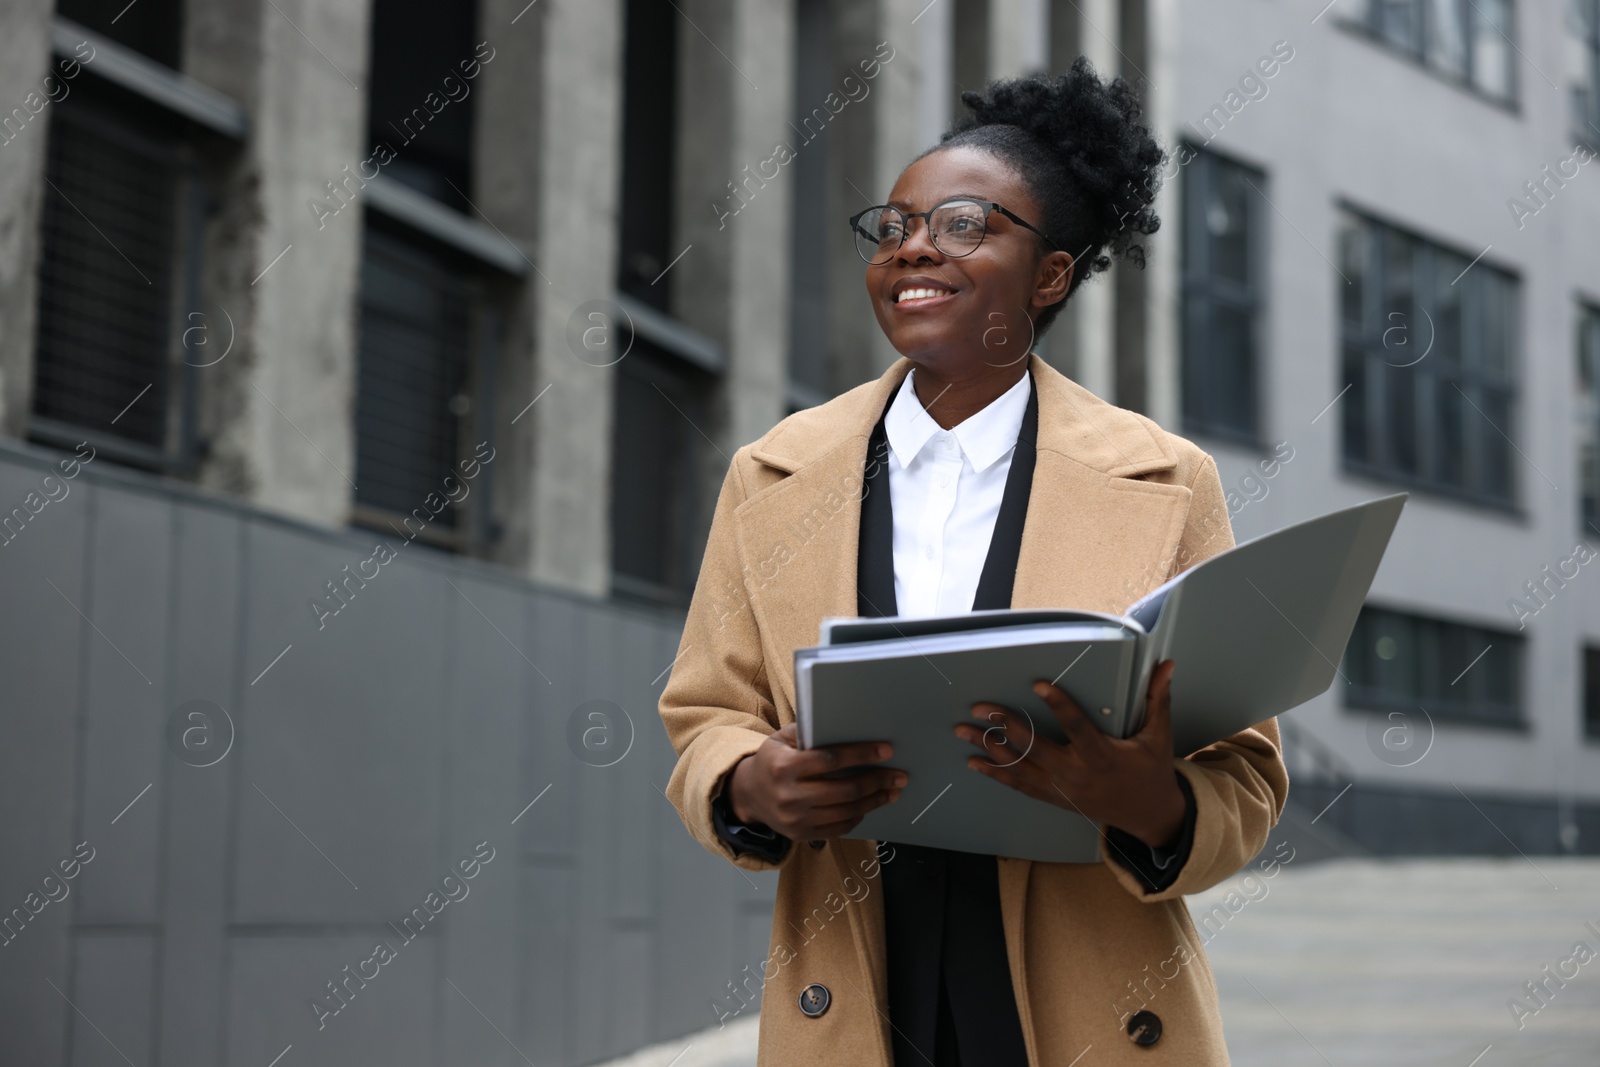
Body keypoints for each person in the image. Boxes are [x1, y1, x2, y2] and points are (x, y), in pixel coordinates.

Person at [660, 58, 1289, 1066]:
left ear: (1050, 274)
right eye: (896, 224)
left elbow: (1244, 773)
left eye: (963, 225)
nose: (914, 247)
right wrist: (748, 785)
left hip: (1084, 988)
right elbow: (704, 717)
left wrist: (1146, 802)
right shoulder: (771, 473)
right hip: (858, 973)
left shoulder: (1165, 478)